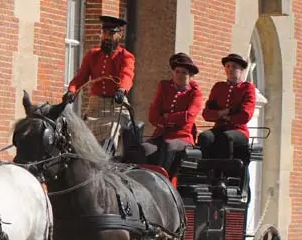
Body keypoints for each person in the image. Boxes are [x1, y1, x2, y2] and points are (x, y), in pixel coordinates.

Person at [63, 15, 136, 153]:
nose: (107, 37)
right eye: (104, 33)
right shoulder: (92, 55)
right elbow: (80, 77)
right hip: (94, 107)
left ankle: (106, 166)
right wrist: (71, 91)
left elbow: (127, 75)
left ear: (119, 35)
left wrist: (121, 90)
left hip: (116, 108)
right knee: (79, 137)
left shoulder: (126, 56)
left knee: (111, 132)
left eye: (111, 33)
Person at [144, 52, 203, 172]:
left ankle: (164, 182)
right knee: (143, 148)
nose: (179, 75)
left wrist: (166, 117)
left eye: (184, 73)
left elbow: (188, 116)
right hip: (161, 134)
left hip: (182, 137)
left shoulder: (195, 93)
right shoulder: (164, 87)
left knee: (169, 146)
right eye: (177, 71)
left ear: (190, 75)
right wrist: (168, 121)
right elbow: (153, 114)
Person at [197, 53, 256, 159]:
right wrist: (223, 113)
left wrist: (227, 117)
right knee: (205, 136)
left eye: (234, 66)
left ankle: (225, 170)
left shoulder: (247, 88)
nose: (230, 69)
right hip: (219, 128)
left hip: (239, 130)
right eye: (228, 66)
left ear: (241, 69)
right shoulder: (218, 87)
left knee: (226, 137)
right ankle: (207, 170)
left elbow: (245, 115)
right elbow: (206, 114)